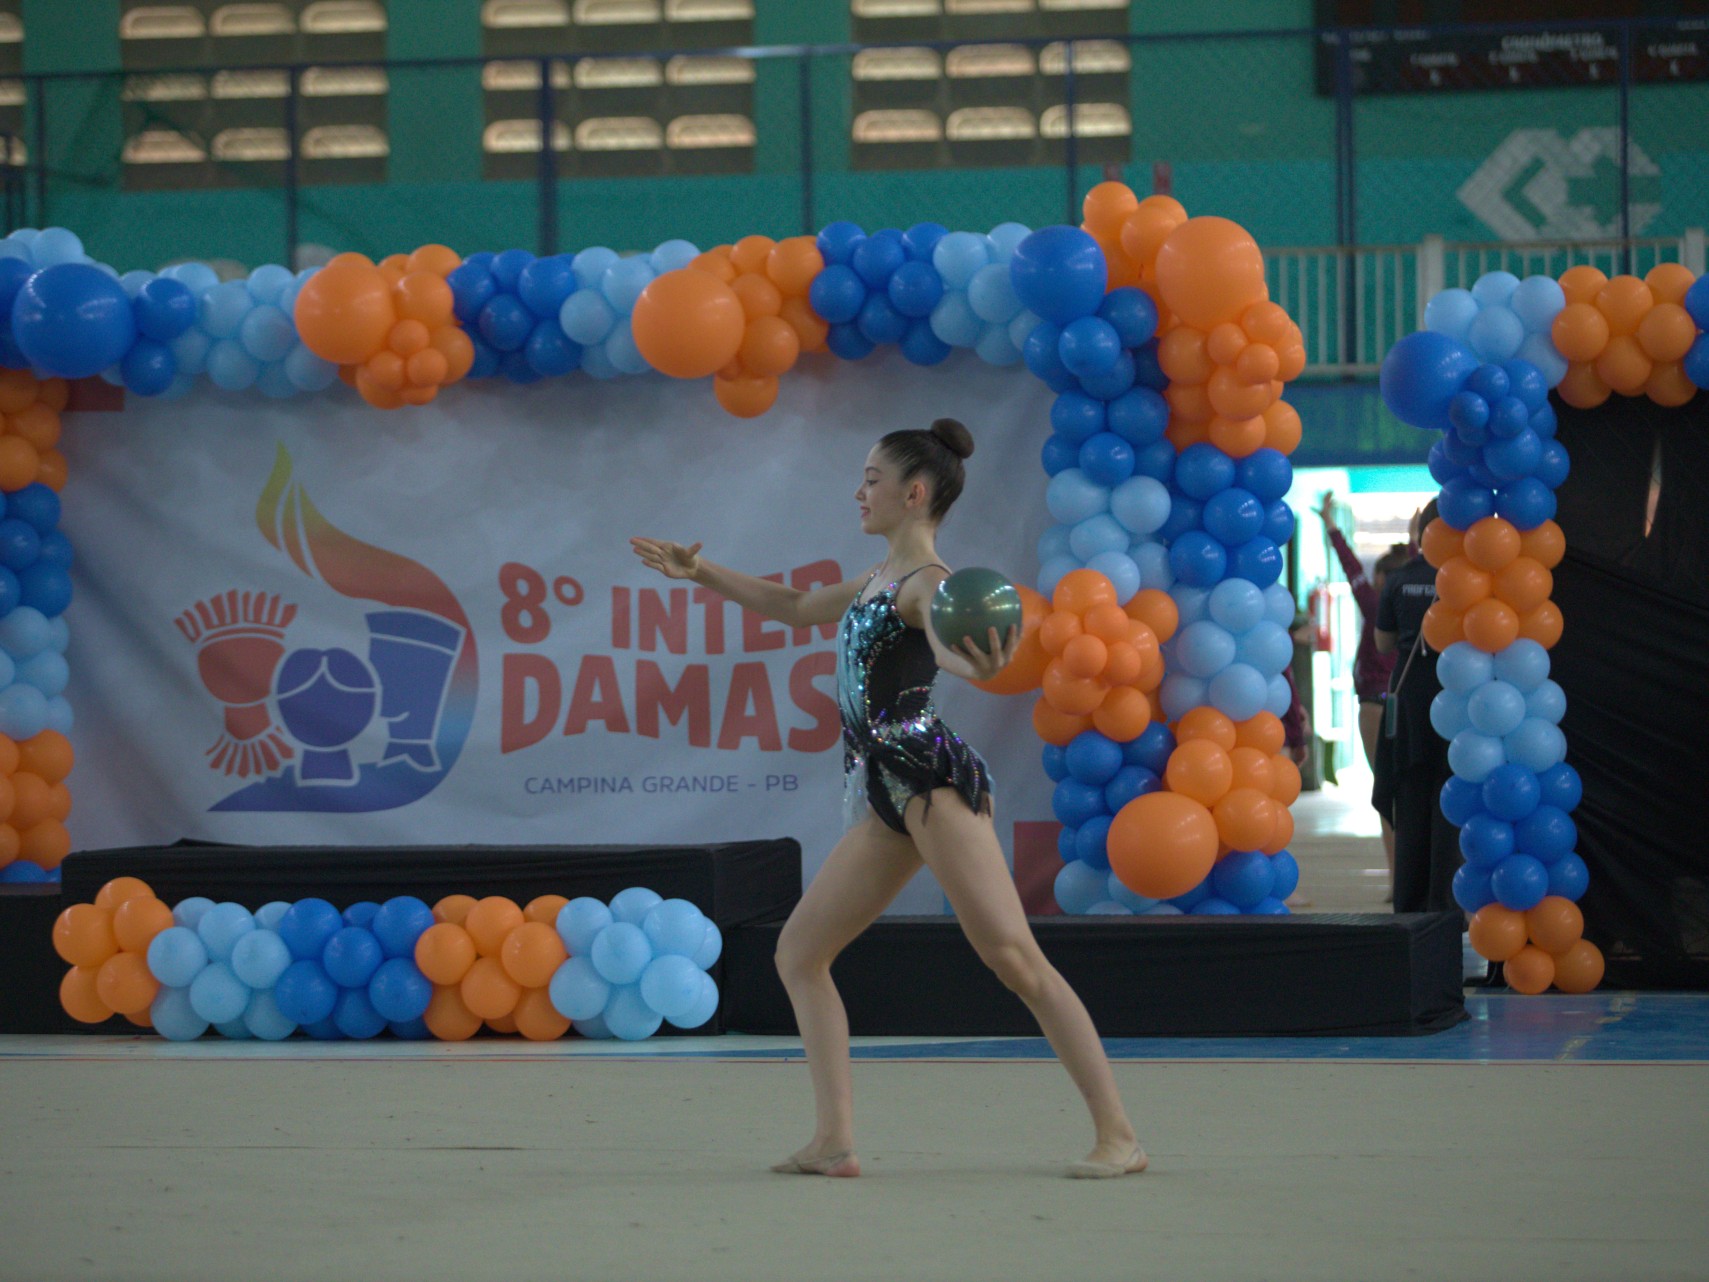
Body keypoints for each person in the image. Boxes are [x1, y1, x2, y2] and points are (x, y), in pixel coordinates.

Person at [630, 417, 1147, 1180]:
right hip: (885, 788)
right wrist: (700, 573)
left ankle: (1118, 1136)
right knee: (800, 953)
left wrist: (970, 663)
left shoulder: (927, 586)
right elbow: (798, 604)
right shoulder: (876, 581)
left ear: (913, 492)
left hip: (930, 783)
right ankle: (833, 1141)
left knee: (1014, 960)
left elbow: (945, 645)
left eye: (871, 478)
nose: (858, 490)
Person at [1317, 493, 1411, 900]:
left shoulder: (1376, 603)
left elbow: (1350, 565)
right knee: (1411, 793)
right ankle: (1411, 875)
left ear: (1380, 580)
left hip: (1375, 703)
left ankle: (1396, 878)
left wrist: (1331, 526)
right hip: (1408, 706)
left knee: (1386, 795)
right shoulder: (1423, 602)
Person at [1372, 499, 1462, 914]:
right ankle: (1444, 903)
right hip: (1457, 698)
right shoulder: (1467, 578)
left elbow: (1383, 645)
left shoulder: (1399, 579)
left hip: (1409, 700)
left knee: (1409, 798)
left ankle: (1408, 904)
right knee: (1449, 799)